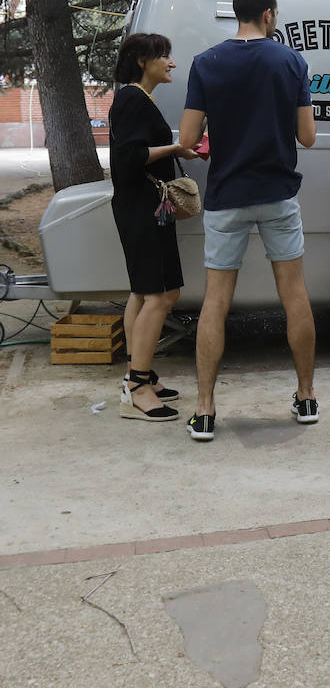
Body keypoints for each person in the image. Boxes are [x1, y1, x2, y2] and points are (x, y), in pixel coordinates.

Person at [179, 0, 318, 442]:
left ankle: (204, 412)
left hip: (227, 196)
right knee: (294, 294)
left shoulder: (206, 64)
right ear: (269, 14)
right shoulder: (291, 61)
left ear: (236, 13)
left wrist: (218, 138)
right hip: (278, 193)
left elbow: (186, 139)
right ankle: (305, 397)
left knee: (215, 301)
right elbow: (307, 137)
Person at [109, 33, 199, 422]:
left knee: (146, 293)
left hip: (144, 205)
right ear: (143, 60)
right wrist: (178, 148)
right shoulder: (131, 98)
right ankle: (137, 386)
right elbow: (131, 156)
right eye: (165, 56)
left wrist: (178, 147)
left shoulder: (137, 98)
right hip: (142, 206)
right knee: (162, 294)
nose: (172, 63)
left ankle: (139, 371)